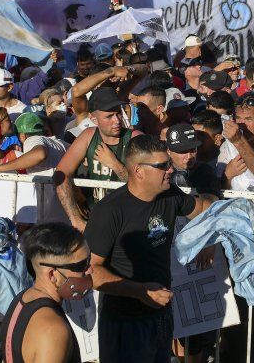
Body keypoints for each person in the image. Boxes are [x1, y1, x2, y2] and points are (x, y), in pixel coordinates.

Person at [84, 135, 215, 363]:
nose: (171, 170)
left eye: (170, 164)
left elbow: (205, 208)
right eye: (163, 166)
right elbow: (91, 271)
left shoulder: (171, 195)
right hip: (124, 321)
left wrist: (213, 235)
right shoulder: (109, 211)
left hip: (160, 314)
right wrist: (141, 292)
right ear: (138, 171)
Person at [2, 223, 91, 363]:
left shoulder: (22, 300)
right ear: (52, 275)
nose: (89, 270)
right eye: (81, 265)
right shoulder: (53, 330)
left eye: (89, 260)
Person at [54, 88, 134, 231]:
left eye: (118, 114)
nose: (117, 120)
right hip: (96, 219)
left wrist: (115, 165)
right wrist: (75, 219)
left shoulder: (134, 138)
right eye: (109, 116)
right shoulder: (88, 136)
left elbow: (146, 184)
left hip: (129, 220)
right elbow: (61, 174)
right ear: (93, 119)